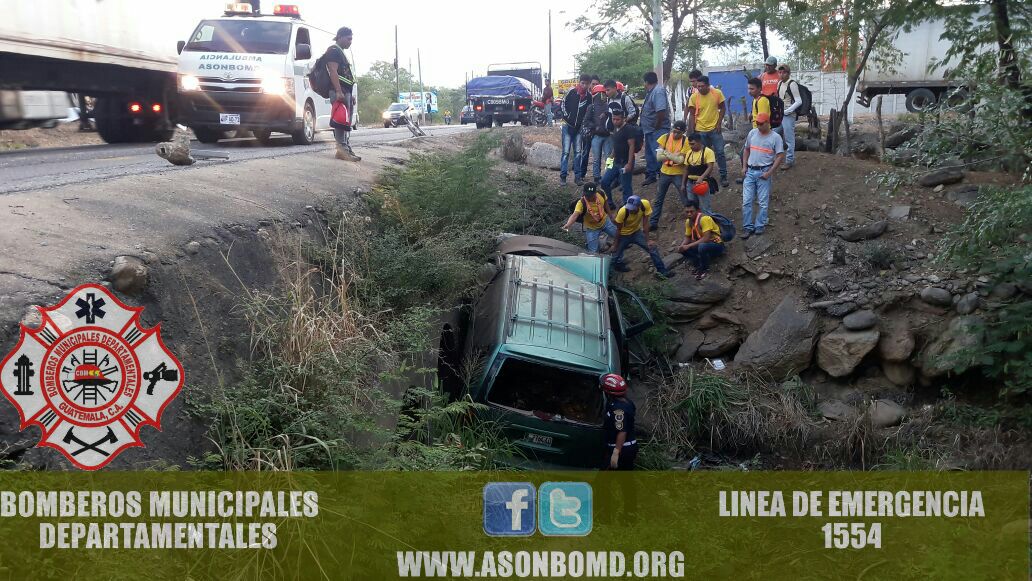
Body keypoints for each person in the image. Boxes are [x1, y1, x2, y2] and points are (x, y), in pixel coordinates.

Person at [741, 112, 785, 239]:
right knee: (747, 201)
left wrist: (770, 172)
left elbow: (780, 155)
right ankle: (747, 227)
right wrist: (744, 166)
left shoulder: (775, 137)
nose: (759, 126)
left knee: (763, 201)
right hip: (750, 171)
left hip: (764, 171)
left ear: (767, 123)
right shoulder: (752, 133)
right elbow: (746, 149)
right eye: (757, 124)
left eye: (761, 124)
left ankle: (759, 225)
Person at [610, 195, 670, 277]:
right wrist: (614, 245)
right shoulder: (623, 211)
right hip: (623, 235)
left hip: (636, 232)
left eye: (632, 209)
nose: (630, 210)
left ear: (638, 206)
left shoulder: (645, 205)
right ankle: (609, 274)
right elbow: (618, 230)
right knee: (614, 256)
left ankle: (662, 272)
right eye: (629, 208)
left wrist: (648, 240)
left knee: (652, 248)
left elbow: (645, 224)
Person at [686, 75, 729, 188]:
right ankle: (704, 176)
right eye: (698, 86)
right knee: (703, 155)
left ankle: (723, 175)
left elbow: (723, 108)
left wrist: (719, 123)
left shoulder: (717, 93)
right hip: (700, 130)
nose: (699, 88)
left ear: (708, 85)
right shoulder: (694, 97)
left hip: (715, 129)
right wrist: (692, 130)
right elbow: (692, 114)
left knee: (720, 152)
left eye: (702, 86)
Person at [648, 120, 690, 229]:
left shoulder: (686, 141)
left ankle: (692, 220)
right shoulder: (665, 137)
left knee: (684, 198)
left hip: (678, 173)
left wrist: (665, 153)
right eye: (674, 131)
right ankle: (653, 222)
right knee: (659, 199)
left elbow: (681, 160)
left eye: (678, 133)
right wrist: (674, 156)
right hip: (664, 172)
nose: (675, 134)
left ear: (683, 132)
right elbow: (658, 157)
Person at [325, 27, 359, 161]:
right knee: (340, 121)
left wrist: (350, 94)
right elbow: (333, 71)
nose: (350, 42)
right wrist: (339, 91)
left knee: (345, 122)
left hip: (345, 91)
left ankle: (346, 149)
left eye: (351, 39)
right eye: (348, 39)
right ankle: (342, 151)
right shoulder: (333, 51)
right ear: (340, 37)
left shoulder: (340, 52)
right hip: (339, 91)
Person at [562, 183, 618, 253]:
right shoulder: (581, 203)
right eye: (586, 195)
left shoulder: (601, 193)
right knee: (593, 252)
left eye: (591, 195)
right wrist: (568, 225)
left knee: (619, 235)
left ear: (595, 193)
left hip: (605, 222)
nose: (588, 197)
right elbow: (575, 215)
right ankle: (602, 244)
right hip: (592, 228)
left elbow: (606, 203)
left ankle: (609, 244)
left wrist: (610, 216)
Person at [678, 199, 725, 280]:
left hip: (716, 244)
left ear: (697, 210)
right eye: (687, 212)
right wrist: (682, 246)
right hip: (702, 244)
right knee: (683, 249)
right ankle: (698, 264)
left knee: (701, 246)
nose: (689, 214)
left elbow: (706, 238)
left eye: (691, 211)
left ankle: (704, 268)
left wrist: (688, 246)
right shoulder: (688, 221)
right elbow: (687, 237)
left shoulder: (704, 219)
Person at [599, 107, 636, 206]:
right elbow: (616, 145)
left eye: (617, 119)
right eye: (613, 119)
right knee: (604, 181)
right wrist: (610, 159)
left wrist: (629, 163)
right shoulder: (616, 128)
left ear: (623, 118)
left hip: (625, 162)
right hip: (615, 161)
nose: (615, 121)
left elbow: (632, 146)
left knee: (626, 186)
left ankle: (628, 207)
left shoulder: (629, 129)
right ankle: (609, 203)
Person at [639, 72, 670, 186]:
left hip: (658, 130)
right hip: (650, 130)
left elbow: (660, 111)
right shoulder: (651, 92)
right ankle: (651, 175)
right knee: (650, 155)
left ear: (646, 82)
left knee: (659, 154)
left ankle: (664, 177)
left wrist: (657, 125)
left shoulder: (658, 91)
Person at [560, 74, 592, 186]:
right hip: (567, 126)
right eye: (583, 83)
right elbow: (562, 104)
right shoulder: (571, 91)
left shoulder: (589, 97)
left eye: (587, 84)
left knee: (578, 153)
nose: (584, 86)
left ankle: (577, 177)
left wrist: (584, 124)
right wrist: (567, 117)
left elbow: (589, 112)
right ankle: (563, 177)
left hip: (579, 129)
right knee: (566, 152)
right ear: (579, 82)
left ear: (589, 84)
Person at [601, 373, 637, 470]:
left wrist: (616, 452)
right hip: (626, 448)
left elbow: (622, 431)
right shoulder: (626, 403)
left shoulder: (619, 409)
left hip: (622, 449)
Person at [581, 84, 612, 184]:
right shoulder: (592, 107)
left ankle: (609, 175)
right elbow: (586, 121)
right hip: (597, 136)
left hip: (607, 136)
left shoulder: (608, 106)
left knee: (609, 158)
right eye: (602, 93)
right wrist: (595, 127)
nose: (604, 95)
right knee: (596, 159)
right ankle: (597, 177)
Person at [682, 133, 718, 215]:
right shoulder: (689, 153)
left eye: (693, 144)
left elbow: (710, 167)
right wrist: (683, 184)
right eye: (689, 144)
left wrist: (701, 177)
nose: (691, 146)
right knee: (692, 207)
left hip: (702, 184)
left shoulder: (708, 152)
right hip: (690, 183)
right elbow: (686, 169)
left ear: (699, 142)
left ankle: (707, 221)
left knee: (705, 208)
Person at [776, 65, 801, 170]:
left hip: (789, 115)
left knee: (789, 138)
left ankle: (790, 160)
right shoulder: (779, 83)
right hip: (780, 114)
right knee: (775, 134)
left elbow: (799, 101)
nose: (782, 75)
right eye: (780, 72)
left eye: (784, 72)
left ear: (788, 73)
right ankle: (777, 157)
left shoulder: (792, 84)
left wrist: (787, 111)